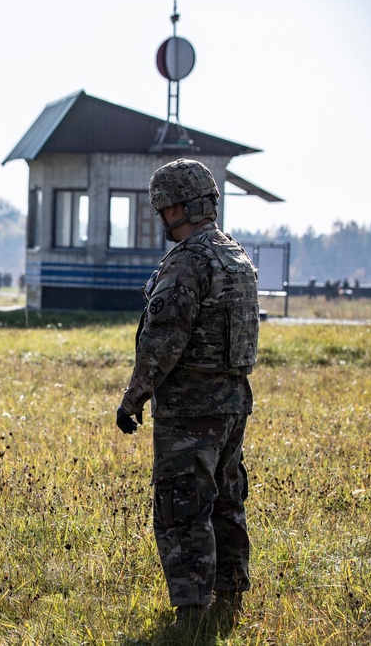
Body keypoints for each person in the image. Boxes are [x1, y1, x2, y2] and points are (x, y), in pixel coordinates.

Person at [115, 159, 259, 631]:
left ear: (179, 206)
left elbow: (163, 342)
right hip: (234, 399)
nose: (160, 219)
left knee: (182, 505)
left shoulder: (186, 263)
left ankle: (193, 613)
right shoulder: (235, 256)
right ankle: (231, 594)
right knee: (226, 496)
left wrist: (133, 397)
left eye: (163, 209)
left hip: (190, 409)